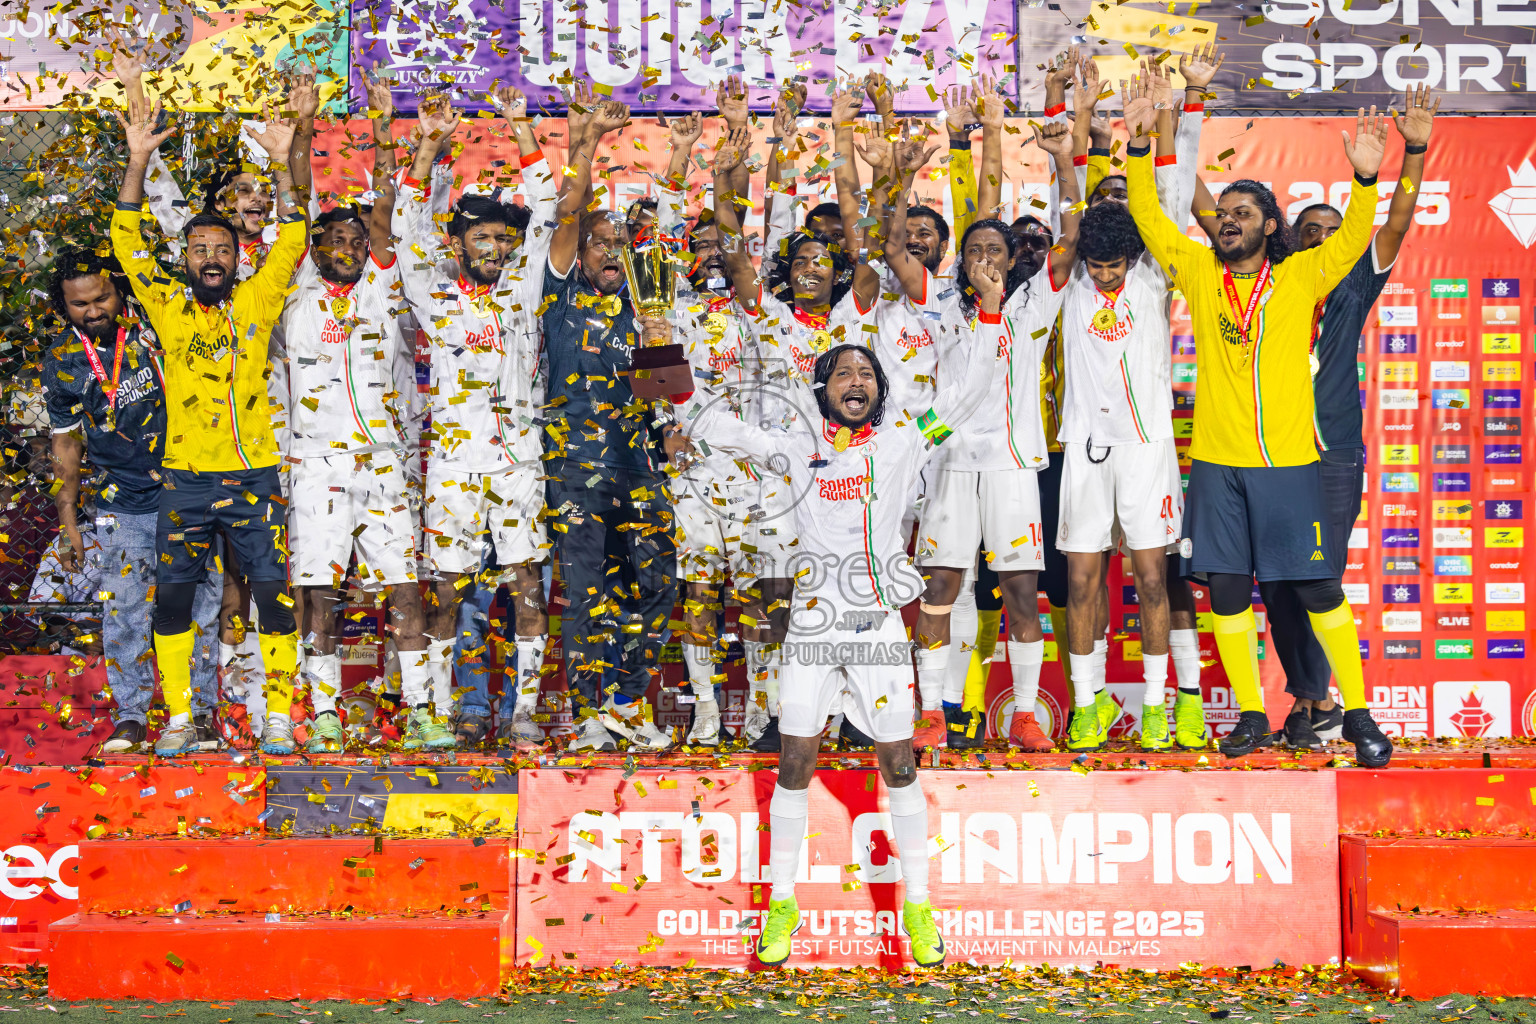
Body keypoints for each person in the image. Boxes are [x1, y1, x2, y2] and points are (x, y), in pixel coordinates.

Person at [672, 203, 1010, 965]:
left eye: (867, 373)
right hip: (816, 626)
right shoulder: (796, 443)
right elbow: (730, 428)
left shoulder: (899, 444)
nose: (855, 379)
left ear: (877, 391)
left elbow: (962, 398)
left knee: (898, 763)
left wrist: (989, 319)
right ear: (822, 387)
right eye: (842, 372)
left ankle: (919, 911)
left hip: (880, 630)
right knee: (796, 760)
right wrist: (679, 403)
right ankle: (781, 906)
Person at [1123, 75, 1394, 767]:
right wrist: (1133, 145)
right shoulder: (1195, 269)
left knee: (1317, 587)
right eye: (1227, 212)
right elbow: (1151, 217)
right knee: (1231, 591)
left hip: (1291, 467)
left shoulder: (1302, 275)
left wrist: (1366, 181)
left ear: (1271, 226)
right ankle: (1251, 713)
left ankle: (1357, 714)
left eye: (1246, 212)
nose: (1232, 219)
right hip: (1218, 465)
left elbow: (1357, 238)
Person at [109, 92, 308, 756]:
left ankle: (278, 715)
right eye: (200, 250)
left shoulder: (258, 296)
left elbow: (295, 237)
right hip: (186, 482)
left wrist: (284, 163)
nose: (213, 259)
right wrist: (139, 158)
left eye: (222, 248)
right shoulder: (166, 307)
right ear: (188, 258)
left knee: (275, 600)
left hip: (254, 477)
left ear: (235, 256)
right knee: (171, 603)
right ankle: (179, 718)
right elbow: (125, 239)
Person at [1258, 86, 1438, 749]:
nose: (1326, 243)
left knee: (1314, 578)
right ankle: (1313, 699)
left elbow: (1394, 221)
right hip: (1268, 456)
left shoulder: (1356, 286)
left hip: (1330, 458)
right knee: (1276, 586)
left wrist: (1413, 151)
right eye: (1313, 234)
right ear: (1292, 244)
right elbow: (1209, 211)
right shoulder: (1272, 291)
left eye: (1336, 234)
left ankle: (1315, 700)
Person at [912, 115, 1081, 759]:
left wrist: (1064, 162)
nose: (984, 259)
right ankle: (931, 712)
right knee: (940, 590)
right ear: (961, 260)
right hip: (951, 466)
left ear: (1015, 262)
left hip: (1014, 467)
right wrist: (975, 140)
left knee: (1020, 593)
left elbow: (1068, 236)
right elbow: (974, 206)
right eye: (974, 250)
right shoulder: (937, 306)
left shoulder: (1036, 303)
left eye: (996, 251)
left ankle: (1027, 716)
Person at [391, 89, 555, 750]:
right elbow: (405, 228)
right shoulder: (435, 293)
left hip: (519, 464)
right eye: (480, 235)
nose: (493, 245)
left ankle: (523, 711)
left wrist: (520, 128)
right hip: (455, 467)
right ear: (457, 243)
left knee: (527, 589)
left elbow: (544, 210)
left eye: (501, 238)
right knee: (447, 590)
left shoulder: (525, 287)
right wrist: (428, 143)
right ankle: (437, 712)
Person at [282, 78, 429, 754]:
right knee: (319, 594)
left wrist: (386, 128)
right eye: (331, 236)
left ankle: (424, 709)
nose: (346, 243)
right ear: (313, 245)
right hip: (315, 466)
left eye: (354, 236)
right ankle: (325, 710)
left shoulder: (381, 290)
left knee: (403, 585)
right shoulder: (292, 295)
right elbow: (293, 199)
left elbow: (388, 207)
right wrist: (305, 126)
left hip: (383, 465)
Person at [540, 95, 677, 752]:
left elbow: (668, 395)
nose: (612, 253)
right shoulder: (560, 295)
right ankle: (589, 711)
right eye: (602, 243)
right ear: (583, 253)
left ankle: (626, 700)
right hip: (576, 471)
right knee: (588, 591)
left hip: (638, 469)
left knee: (654, 585)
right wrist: (585, 141)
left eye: (622, 243)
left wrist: (659, 343)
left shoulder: (648, 302)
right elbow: (568, 212)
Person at [44, 249, 222, 752]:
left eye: (101, 297)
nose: (94, 310)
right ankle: (132, 716)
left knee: (197, 607)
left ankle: (200, 713)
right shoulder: (61, 362)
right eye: (80, 305)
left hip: (189, 489)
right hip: (122, 503)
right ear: (64, 306)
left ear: (118, 290)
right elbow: (65, 444)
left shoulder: (155, 327)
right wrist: (68, 522)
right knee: (124, 612)